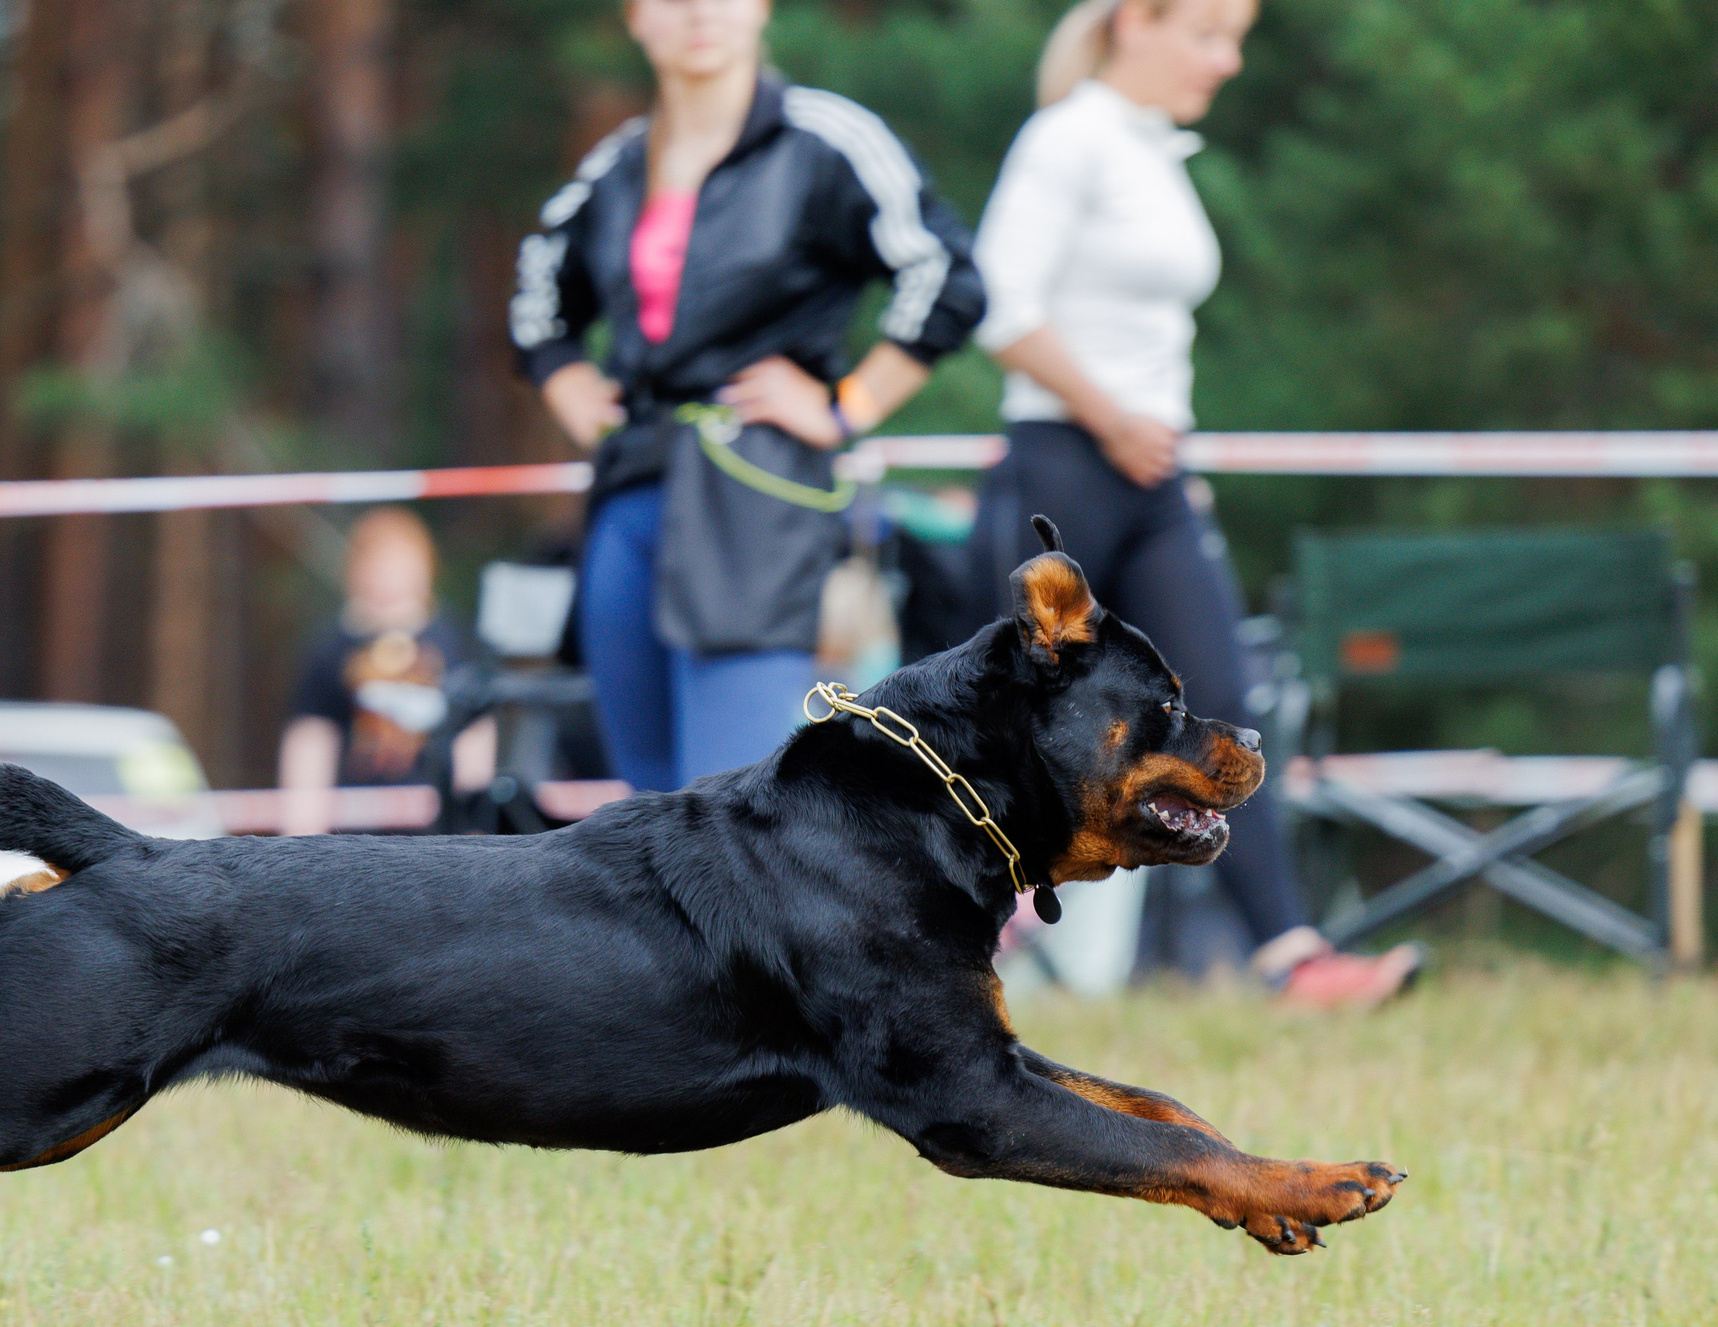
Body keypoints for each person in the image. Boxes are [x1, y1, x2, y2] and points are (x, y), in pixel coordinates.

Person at [970, 0, 1419, 1009]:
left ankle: (1294, 959)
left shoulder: (1152, 149)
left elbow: (1145, 338)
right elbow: (999, 306)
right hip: (1067, 462)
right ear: (1137, 21)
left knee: (1220, 706)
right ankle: (948, 941)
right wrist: (1111, 419)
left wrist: (1167, 444)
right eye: (1209, 35)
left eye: (1237, 39)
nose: (1228, 61)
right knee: (1039, 718)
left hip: (1154, 471)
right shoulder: (1069, 138)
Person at [510, 0, 985, 791]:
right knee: (644, 812)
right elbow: (537, 293)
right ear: (636, 17)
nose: (699, 11)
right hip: (628, 500)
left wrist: (847, 406)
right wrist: (565, 379)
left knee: (731, 810)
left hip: (752, 506)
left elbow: (947, 276)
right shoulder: (616, 164)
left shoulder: (825, 139)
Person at [279, 507, 495, 812]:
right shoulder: (332, 646)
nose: (389, 578)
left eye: (399, 565)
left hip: (438, 820)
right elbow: (312, 739)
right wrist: (302, 825)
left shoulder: (455, 640)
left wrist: (473, 818)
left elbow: (474, 733)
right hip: (354, 821)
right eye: (379, 565)